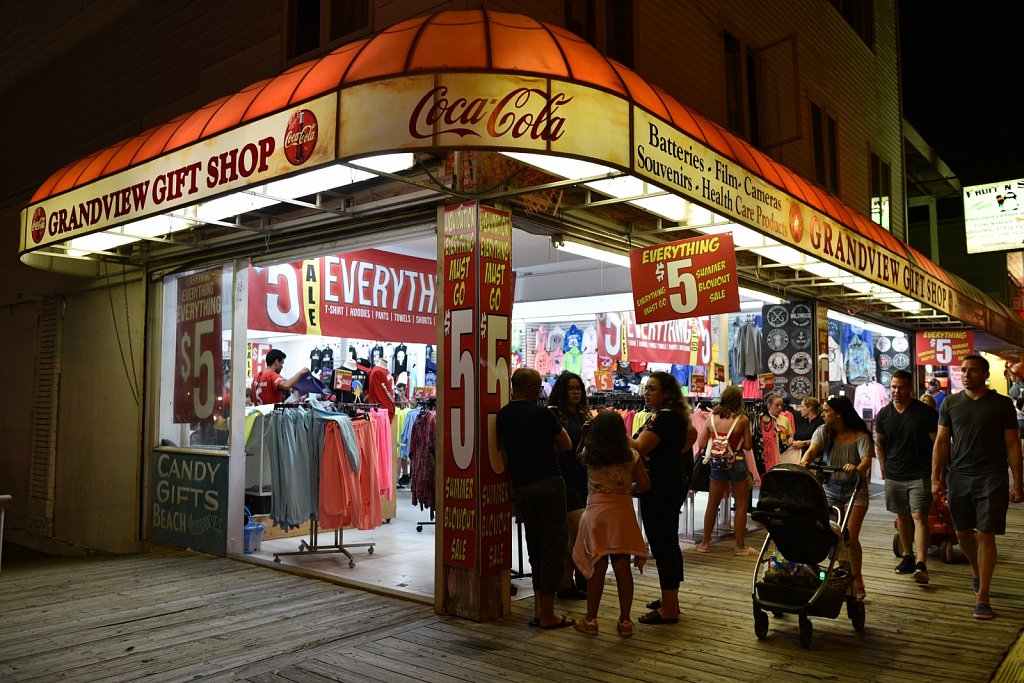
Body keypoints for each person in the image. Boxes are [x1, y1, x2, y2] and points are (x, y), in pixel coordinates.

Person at [932, 354, 1023, 620]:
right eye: (963, 370)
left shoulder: (1002, 404)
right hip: (959, 475)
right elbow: (940, 443)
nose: (967, 374)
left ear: (985, 374)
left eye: (973, 370)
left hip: (992, 476)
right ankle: (976, 569)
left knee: (986, 534)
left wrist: (1018, 482)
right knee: (961, 534)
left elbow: (1012, 445)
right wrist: (935, 478)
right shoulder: (950, 403)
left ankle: (983, 595)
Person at [497, 368, 574, 630]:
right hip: (548, 483)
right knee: (553, 546)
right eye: (539, 387)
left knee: (535, 545)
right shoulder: (543, 414)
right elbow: (566, 444)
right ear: (529, 387)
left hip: (521, 486)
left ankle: (540, 608)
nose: (540, 392)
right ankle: (549, 613)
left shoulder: (504, 415)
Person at [572, 411, 651, 637]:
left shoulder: (591, 454)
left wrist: (583, 438)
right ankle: (625, 621)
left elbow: (577, 457)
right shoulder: (630, 455)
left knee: (597, 565)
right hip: (622, 511)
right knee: (622, 564)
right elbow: (645, 484)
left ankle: (591, 620)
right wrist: (626, 490)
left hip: (596, 512)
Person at [628, 370, 696, 625]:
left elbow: (640, 447)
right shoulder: (675, 417)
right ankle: (671, 599)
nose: (647, 392)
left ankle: (669, 607)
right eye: (646, 388)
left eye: (653, 388)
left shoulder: (663, 418)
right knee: (668, 541)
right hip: (671, 480)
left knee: (662, 543)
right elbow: (692, 436)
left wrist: (614, 429)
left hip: (661, 485)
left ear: (666, 393)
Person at [799, 395, 874, 601]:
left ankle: (857, 578)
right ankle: (844, 574)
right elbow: (812, 451)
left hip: (855, 490)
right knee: (832, 534)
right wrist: (805, 462)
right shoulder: (824, 431)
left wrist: (855, 469)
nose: (823, 414)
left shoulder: (860, 436)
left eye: (826, 411)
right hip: (831, 487)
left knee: (849, 536)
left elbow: (866, 460)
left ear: (839, 413)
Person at [875, 370, 938, 584]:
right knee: (901, 516)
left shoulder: (925, 413)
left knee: (919, 516)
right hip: (894, 473)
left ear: (910, 387)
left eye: (901, 387)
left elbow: (937, 443)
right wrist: (883, 466)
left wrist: (939, 472)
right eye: (893, 386)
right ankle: (908, 556)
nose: (896, 391)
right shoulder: (884, 414)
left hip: (920, 473)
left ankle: (921, 563)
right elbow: (880, 443)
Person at [695, 385, 759, 554]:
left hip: (717, 462)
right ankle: (739, 546)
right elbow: (748, 446)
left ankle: (705, 544)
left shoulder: (711, 418)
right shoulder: (742, 419)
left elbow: (701, 444)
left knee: (712, 503)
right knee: (741, 504)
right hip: (736, 461)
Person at [546, 371, 591, 600]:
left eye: (578, 388)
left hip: (584, 479)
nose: (575, 392)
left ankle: (577, 580)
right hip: (563, 479)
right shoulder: (553, 415)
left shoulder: (584, 414)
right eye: (571, 388)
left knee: (581, 535)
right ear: (562, 391)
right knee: (575, 534)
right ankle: (566, 584)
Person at [786, 396, 825, 461]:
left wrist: (804, 443)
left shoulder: (820, 422)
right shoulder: (805, 421)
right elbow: (797, 435)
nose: (800, 409)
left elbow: (821, 440)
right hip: (798, 456)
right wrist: (792, 439)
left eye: (802, 407)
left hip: (813, 458)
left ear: (809, 408)